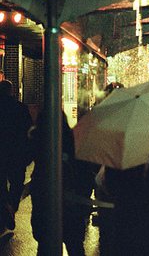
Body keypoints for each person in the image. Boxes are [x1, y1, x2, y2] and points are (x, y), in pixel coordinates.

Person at [29, 111, 95, 256]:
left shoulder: (37, 139)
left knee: (45, 245)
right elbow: (85, 172)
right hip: (70, 198)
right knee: (75, 245)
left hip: (43, 196)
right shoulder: (73, 140)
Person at [0, 80, 33, 237]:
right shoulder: (21, 109)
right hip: (16, 154)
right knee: (17, 184)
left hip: (2, 153)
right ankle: (11, 206)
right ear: (11, 91)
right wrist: (28, 154)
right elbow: (29, 132)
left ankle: (5, 206)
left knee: (1, 184)